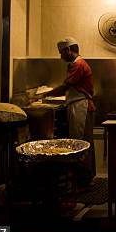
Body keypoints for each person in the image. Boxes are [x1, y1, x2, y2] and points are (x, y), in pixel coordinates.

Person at [32, 37, 95, 185]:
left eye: (61, 53)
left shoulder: (78, 65)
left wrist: (44, 94)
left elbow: (65, 86)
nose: (61, 57)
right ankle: (86, 179)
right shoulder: (78, 64)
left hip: (81, 106)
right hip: (79, 105)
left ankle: (83, 180)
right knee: (84, 142)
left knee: (79, 143)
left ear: (68, 50)